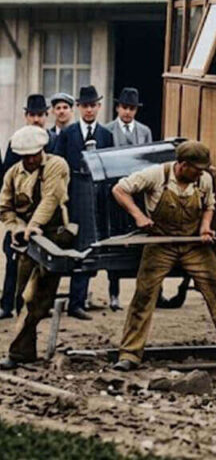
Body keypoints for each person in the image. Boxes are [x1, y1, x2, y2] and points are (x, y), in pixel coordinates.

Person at [110, 141, 216, 371]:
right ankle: (130, 354)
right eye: (197, 169)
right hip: (160, 243)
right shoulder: (155, 175)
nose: (201, 173)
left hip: (193, 245)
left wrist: (204, 228)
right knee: (144, 295)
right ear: (182, 165)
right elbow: (119, 189)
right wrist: (139, 216)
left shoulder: (204, 180)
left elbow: (209, 205)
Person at [0, 126, 72, 371]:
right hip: (28, 240)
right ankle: (24, 352)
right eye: (25, 155)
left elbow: (51, 199)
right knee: (22, 295)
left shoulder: (56, 165)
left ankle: (18, 351)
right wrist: (18, 228)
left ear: (42, 149)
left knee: (38, 297)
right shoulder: (13, 174)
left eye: (34, 154)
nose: (31, 159)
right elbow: (5, 208)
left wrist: (33, 226)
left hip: (54, 237)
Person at [54, 85, 113, 320]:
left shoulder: (106, 135)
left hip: (97, 195)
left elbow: (110, 169)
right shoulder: (68, 134)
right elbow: (57, 166)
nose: (89, 110)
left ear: (99, 107)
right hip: (72, 193)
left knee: (89, 246)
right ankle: (55, 300)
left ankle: (78, 301)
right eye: (85, 106)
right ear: (78, 108)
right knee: (67, 244)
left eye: (93, 106)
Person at [0, 95, 56, 320]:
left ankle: (40, 305)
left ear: (46, 116)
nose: (36, 119)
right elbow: (7, 177)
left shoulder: (52, 141)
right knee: (13, 257)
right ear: (26, 116)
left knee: (45, 264)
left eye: (40, 115)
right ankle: (7, 304)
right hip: (21, 212)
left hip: (46, 214)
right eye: (32, 115)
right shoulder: (17, 141)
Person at [103, 87, 153, 311]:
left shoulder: (144, 131)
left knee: (141, 242)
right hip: (115, 192)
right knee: (116, 241)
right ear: (117, 108)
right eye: (124, 108)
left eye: (132, 108)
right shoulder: (107, 131)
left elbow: (149, 162)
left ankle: (143, 293)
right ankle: (114, 294)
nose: (127, 112)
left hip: (138, 193)